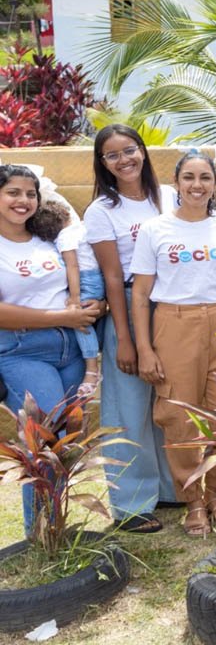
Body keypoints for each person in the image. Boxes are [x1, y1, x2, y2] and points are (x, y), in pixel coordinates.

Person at [131, 152, 216, 537]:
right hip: (175, 322)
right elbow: (140, 295)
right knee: (179, 414)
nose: (197, 185)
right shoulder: (156, 230)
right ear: (176, 182)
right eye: (188, 177)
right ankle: (193, 500)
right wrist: (144, 349)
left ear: (215, 184)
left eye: (205, 177)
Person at [84, 124, 177, 534]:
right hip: (127, 305)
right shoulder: (103, 210)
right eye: (113, 155)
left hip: (173, 307)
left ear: (143, 150)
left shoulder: (169, 198)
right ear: (102, 163)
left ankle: (172, 489)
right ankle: (132, 503)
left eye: (130, 149)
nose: (124, 160)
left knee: (171, 400)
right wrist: (125, 339)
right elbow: (111, 277)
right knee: (130, 409)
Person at [0, 165, 103, 529]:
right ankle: (43, 533)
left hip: (71, 352)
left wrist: (97, 306)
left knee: (67, 443)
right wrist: (62, 317)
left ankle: (59, 525)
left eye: (30, 193)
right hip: (23, 351)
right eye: (13, 192)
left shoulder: (48, 237)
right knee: (44, 443)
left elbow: (82, 279)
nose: (23, 201)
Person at [27, 200, 102, 399]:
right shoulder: (82, 227)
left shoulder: (65, 237)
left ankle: (92, 368)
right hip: (97, 277)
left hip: (85, 280)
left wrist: (75, 297)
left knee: (80, 321)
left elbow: (73, 267)